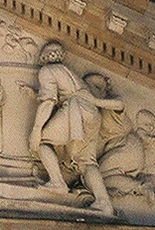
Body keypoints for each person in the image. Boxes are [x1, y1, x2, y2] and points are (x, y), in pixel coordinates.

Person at [28, 42, 124, 213]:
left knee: (43, 142)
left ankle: (57, 182)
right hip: (92, 113)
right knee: (87, 161)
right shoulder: (67, 71)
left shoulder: (46, 70)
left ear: (43, 57)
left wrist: (36, 130)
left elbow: (48, 102)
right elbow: (66, 91)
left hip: (76, 110)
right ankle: (104, 202)